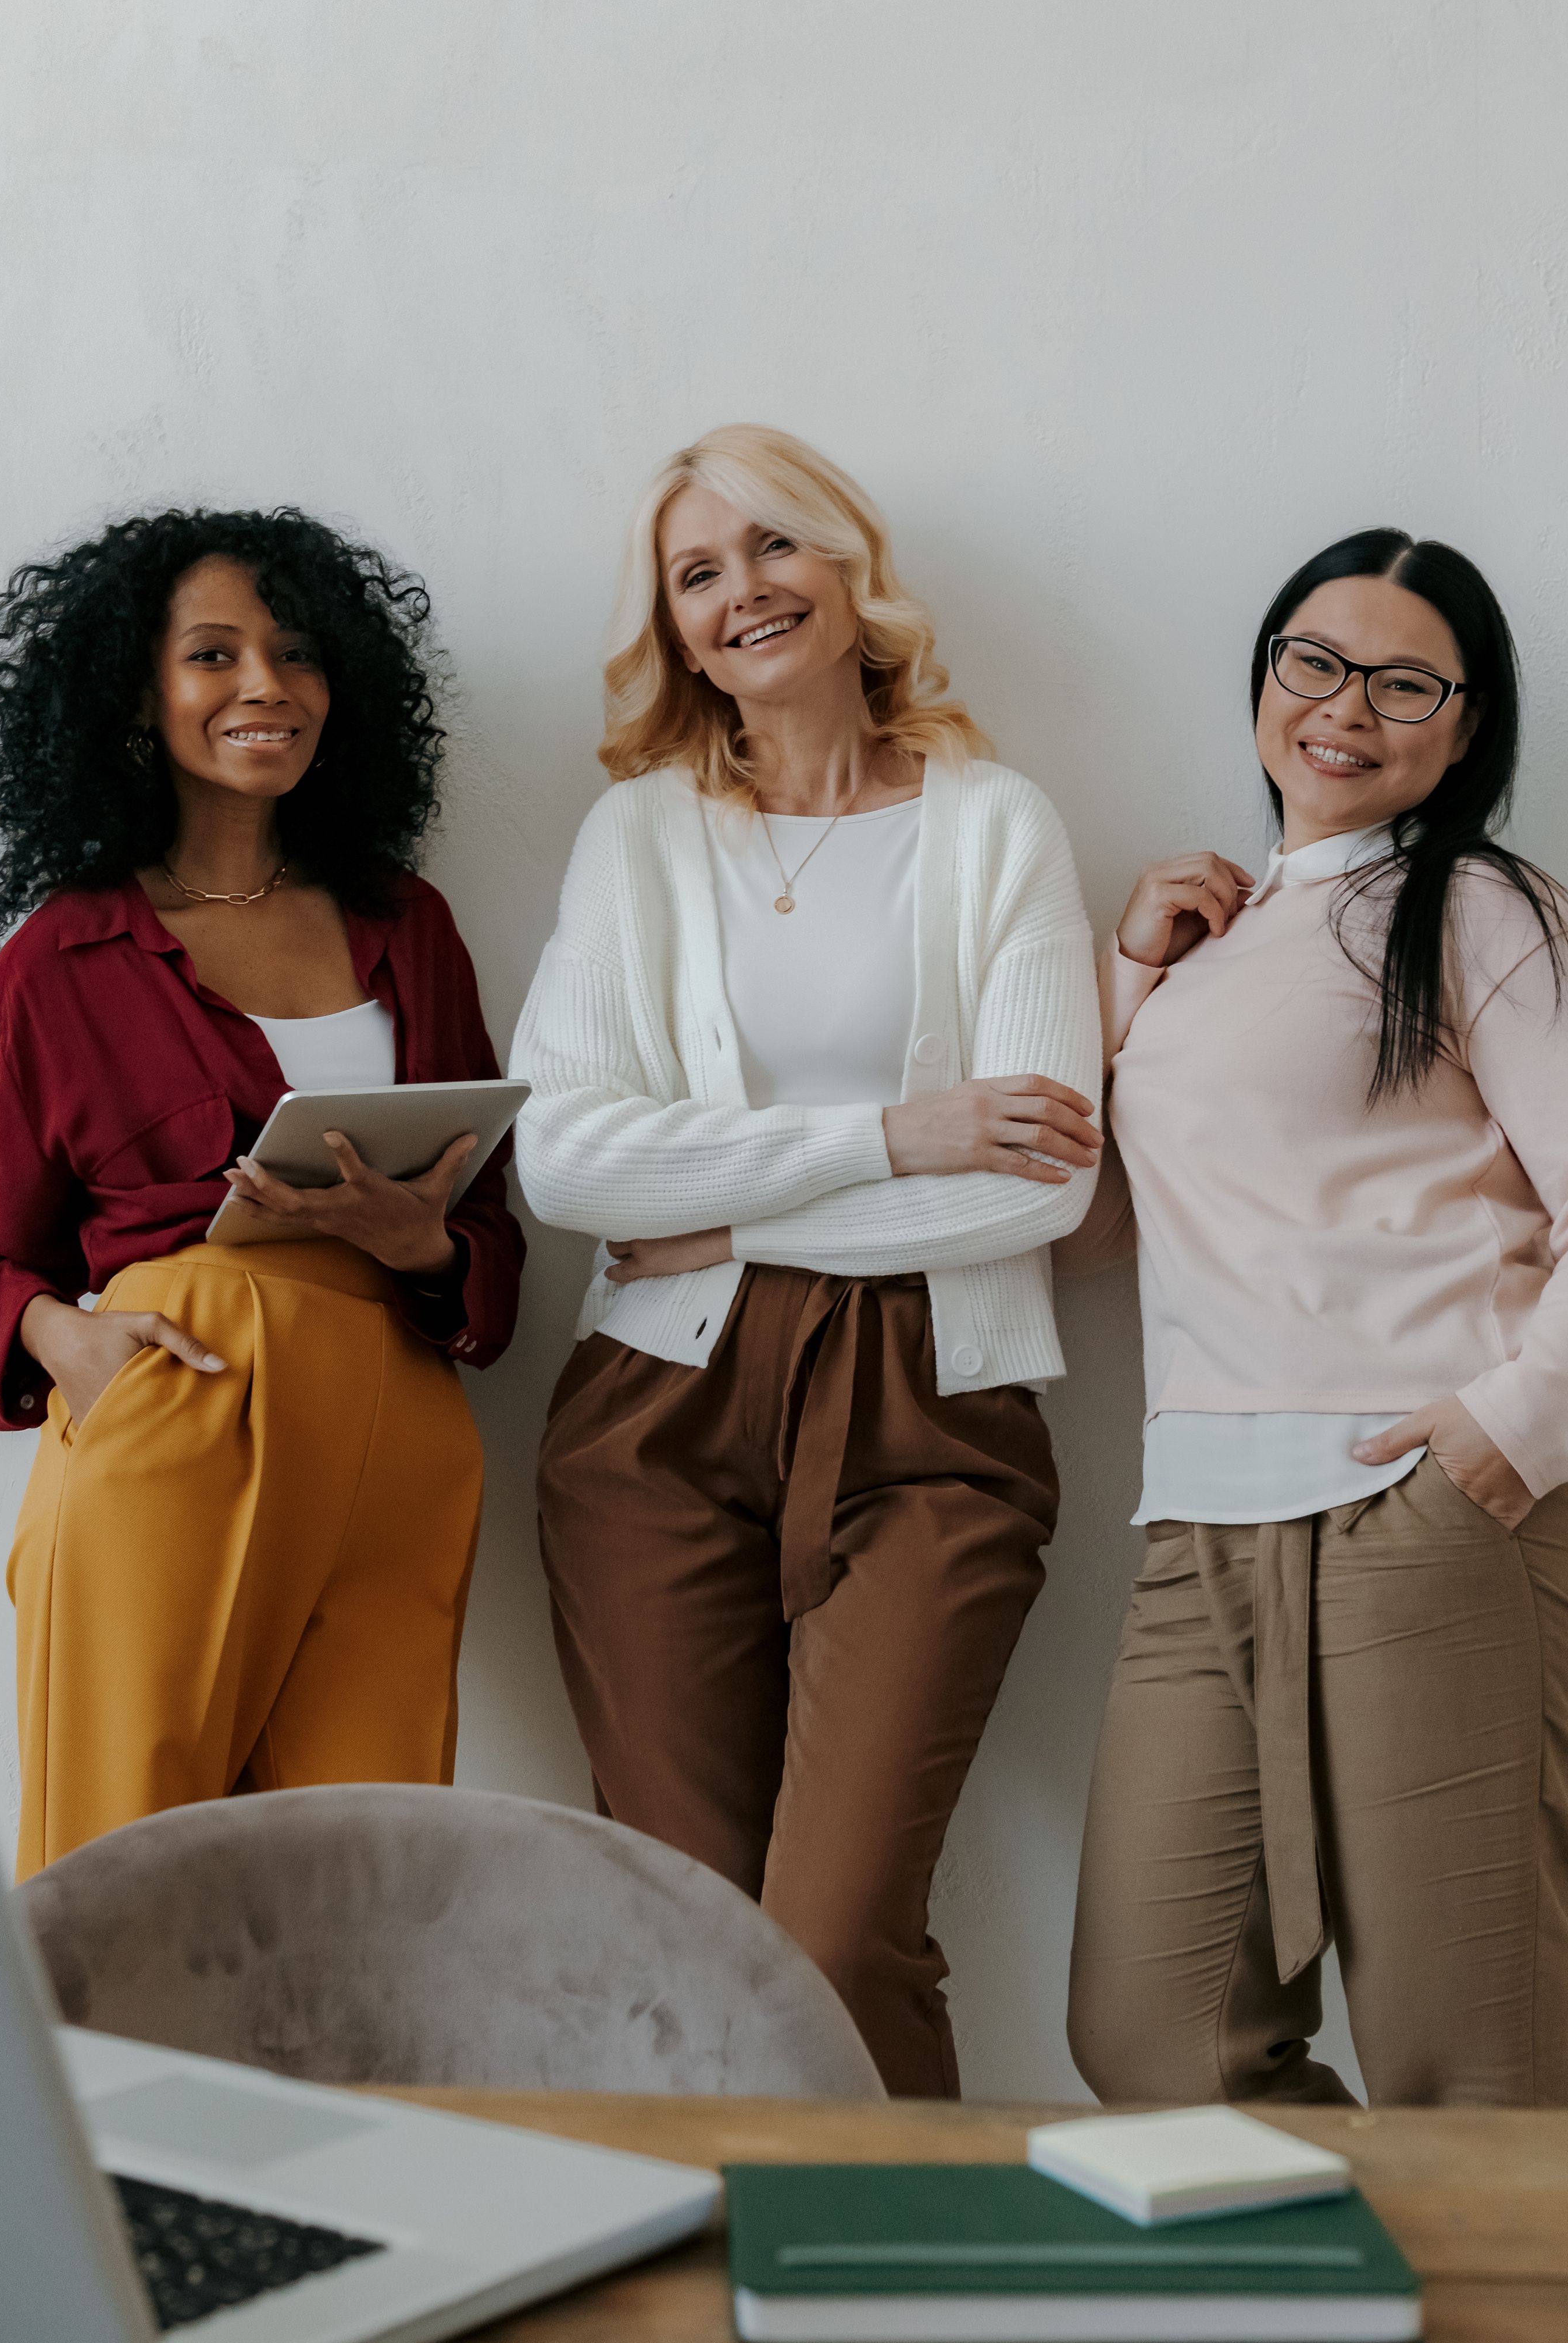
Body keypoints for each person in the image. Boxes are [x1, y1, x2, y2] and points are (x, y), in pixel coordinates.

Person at [1062, 529, 1568, 2109]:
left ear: (1466, 728)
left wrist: (1509, 1432)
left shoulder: (1480, 906)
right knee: (1156, 2040)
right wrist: (1134, 972)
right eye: (1316, 662)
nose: (1350, 707)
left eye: (1409, 682)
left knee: (1463, 2057)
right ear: (1267, 677)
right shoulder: (1219, 939)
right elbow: (1094, 1222)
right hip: (1206, 1513)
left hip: (1436, 1502)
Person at [510, 425, 1102, 2099]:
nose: (741, 591)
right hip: (656, 1415)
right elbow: (566, 1158)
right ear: (676, 629)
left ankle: (914, 2295)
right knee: (694, 1937)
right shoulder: (638, 839)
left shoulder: (994, 826)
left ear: (851, 574)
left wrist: (728, 1206)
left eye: (774, 547)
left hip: (934, 1412)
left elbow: (1041, 1189)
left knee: (837, 1940)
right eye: (697, 574)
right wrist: (894, 1137)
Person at [0, 508, 523, 1877]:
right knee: (120, 1862)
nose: (267, 684)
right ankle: (97, 2105)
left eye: (295, 652)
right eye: (213, 654)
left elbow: (492, 1235)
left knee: (373, 1901)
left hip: (398, 1419)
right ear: (138, 699)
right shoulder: (60, 963)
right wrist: (74, 1345)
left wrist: (430, 1247)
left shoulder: (405, 924)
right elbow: (3, 1256)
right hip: (181, 1395)